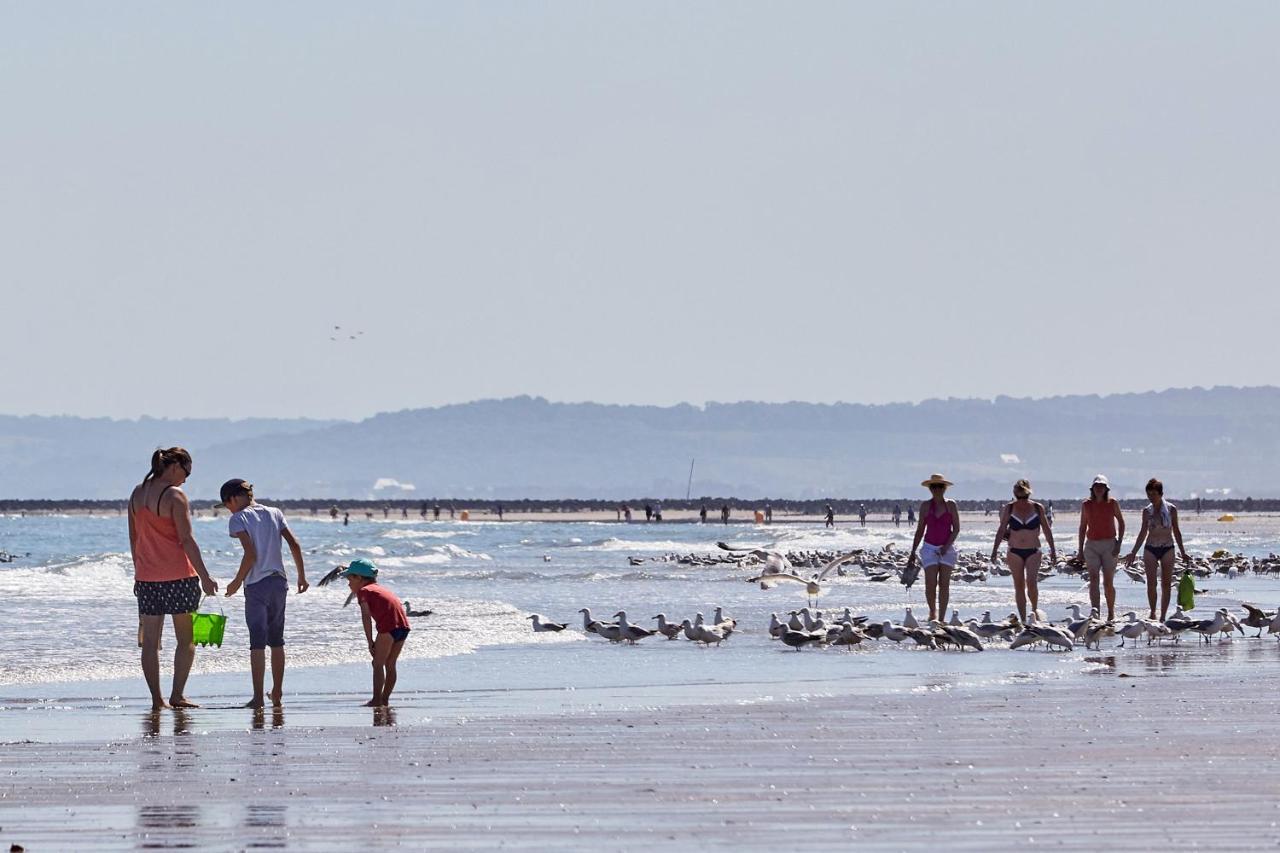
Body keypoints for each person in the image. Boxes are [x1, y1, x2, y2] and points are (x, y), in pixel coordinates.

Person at [127, 447, 219, 710]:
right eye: (187, 472)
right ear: (176, 466)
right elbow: (187, 540)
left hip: (147, 578)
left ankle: (157, 700)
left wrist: (139, 571)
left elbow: (134, 538)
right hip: (179, 576)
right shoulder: (175, 496)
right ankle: (177, 695)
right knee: (186, 640)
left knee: (150, 643)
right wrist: (205, 576)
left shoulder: (137, 494)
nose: (186, 479)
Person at [220, 479, 309, 709]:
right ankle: (277, 692)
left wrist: (236, 582)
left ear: (234, 498)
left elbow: (250, 555)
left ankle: (258, 697)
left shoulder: (238, 518)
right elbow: (295, 544)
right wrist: (302, 576)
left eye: (227, 504)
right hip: (280, 582)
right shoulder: (274, 512)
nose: (228, 510)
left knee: (257, 643)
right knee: (277, 640)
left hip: (256, 585)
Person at [340, 559, 409, 706]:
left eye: (350, 579)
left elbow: (366, 616)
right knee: (390, 664)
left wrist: (370, 641)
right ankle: (385, 699)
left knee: (377, 663)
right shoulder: (380, 589)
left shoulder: (364, 591)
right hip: (403, 627)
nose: (348, 584)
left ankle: (377, 699)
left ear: (359, 578)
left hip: (388, 627)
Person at [991, 479, 1056, 621]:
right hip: (1015, 551)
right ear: (1014, 492)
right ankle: (1023, 619)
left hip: (1033, 550)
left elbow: (1046, 529)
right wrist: (994, 550)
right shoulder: (1009, 508)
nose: (1019, 492)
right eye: (1017, 489)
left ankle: (1034, 612)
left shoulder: (1037, 508)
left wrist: (1053, 550)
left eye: (1022, 489)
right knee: (1019, 585)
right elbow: (1002, 529)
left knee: (1031, 583)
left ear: (1027, 491)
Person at [1126, 478, 1191, 621]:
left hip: (1167, 547)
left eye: (1154, 494)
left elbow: (1177, 531)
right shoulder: (1147, 511)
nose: (1151, 497)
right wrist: (1133, 552)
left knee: (1166, 584)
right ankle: (1153, 612)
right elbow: (1143, 532)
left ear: (1161, 494)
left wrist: (1183, 551)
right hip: (1151, 548)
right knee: (1151, 583)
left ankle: (1162, 615)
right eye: (1149, 494)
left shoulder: (1171, 509)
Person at [906, 474, 960, 621]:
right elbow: (920, 530)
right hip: (929, 547)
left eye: (940, 486)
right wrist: (912, 552)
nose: (937, 489)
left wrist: (946, 546)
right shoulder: (925, 506)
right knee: (930, 584)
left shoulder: (951, 505)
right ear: (930, 488)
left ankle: (941, 618)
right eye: (933, 486)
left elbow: (956, 529)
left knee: (944, 584)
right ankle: (932, 612)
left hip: (947, 549)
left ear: (944, 488)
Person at [1078, 474, 1124, 621]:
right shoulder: (1086, 504)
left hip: (1109, 544)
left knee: (1108, 581)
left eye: (1102, 486)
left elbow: (1122, 523)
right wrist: (1080, 550)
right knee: (1093, 579)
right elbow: (1082, 526)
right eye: (1097, 486)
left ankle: (1111, 613)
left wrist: (1119, 544)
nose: (1099, 489)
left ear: (1106, 488)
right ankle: (1095, 611)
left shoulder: (1112, 503)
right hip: (1091, 545)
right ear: (1093, 488)